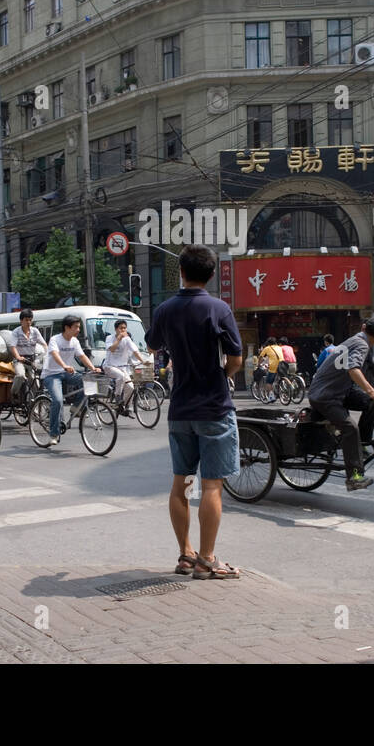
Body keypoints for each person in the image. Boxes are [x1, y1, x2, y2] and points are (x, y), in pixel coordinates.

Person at [149, 245, 244, 580]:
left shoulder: (165, 309)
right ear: (211, 274)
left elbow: (151, 344)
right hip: (214, 409)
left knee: (183, 483)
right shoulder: (218, 309)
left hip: (181, 410)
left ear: (181, 272)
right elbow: (235, 360)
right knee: (212, 486)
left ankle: (186, 555)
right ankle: (207, 559)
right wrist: (222, 376)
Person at [307, 317, 374, 491]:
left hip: (341, 391)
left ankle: (361, 445)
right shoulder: (361, 344)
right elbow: (353, 370)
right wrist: (371, 390)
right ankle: (354, 477)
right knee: (350, 428)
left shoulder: (360, 341)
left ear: (363, 328)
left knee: (372, 403)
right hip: (325, 396)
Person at [41, 315, 100, 445]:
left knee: (88, 381)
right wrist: (64, 366)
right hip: (51, 375)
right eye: (76, 327)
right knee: (57, 400)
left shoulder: (74, 341)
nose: (78, 330)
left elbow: (82, 356)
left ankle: (76, 408)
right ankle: (54, 434)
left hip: (67, 372)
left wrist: (93, 367)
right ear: (67, 328)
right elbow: (55, 355)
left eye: (79, 327)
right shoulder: (55, 339)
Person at [101, 319, 148, 415]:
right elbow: (112, 349)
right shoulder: (109, 338)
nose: (123, 330)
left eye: (124, 328)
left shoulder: (127, 339)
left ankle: (125, 407)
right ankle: (117, 396)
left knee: (130, 387)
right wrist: (119, 339)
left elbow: (135, 351)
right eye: (121, 328)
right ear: (116, 329)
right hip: (110, 367)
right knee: (121, 377)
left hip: (123, 368)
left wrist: (143, 361)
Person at [10, 308, 47, 399]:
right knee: (20, 375)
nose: (29, 322)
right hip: (20, 360)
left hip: (31, 360)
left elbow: (44, 344)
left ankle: (34, 404)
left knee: (36, 382)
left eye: (30, 320)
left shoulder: (35, 331)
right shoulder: (16, 332)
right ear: (21, 321)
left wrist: (47, 354)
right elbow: (12, 347)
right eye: (26, 320)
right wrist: (18, 357)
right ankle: (14, 393)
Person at [259, 336, 282, 402]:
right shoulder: (279, 347)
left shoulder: (267, 348)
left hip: (273, 366)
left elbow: (261, 357)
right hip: (282, 364)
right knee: (279, 378)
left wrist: (258, 364)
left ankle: (271, 397)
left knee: (268, 382)